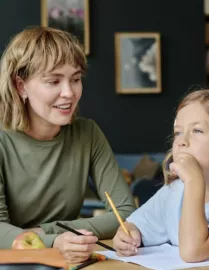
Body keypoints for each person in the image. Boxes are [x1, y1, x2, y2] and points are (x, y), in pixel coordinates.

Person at [0, 26, 136, 263]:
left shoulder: (87, 133)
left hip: (66, 262)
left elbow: (124, 213)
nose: (69, 93)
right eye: (53, 81)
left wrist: (49, 231)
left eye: (75, 79)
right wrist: (54, 240)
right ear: (21, 86)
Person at [113, 89, 209, 269]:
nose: (181, 141)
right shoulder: (174, 191)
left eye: (197, 130)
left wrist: (194, 182)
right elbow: (135, 225)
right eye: (178, 132)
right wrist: (127, 236)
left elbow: (193, 251)